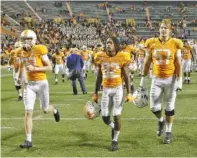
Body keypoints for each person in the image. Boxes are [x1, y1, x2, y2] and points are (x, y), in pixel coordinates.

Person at [139, 19, 183, 144]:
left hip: (171, 79)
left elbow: (178, 63)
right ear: (159, 29)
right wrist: (143, 78)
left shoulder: (176, 43)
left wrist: (179, 80)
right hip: (156, 79)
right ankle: (161, 120)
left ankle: (168, 132)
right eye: (162, 27)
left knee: (169, 106)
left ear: (170, 30)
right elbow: (147, 62)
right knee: (153, 107)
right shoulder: (151, 42)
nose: (163, 30)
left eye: (166, 28)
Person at [16, 29, 60, 149]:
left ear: (34, 40)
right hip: (29, 85)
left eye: (28, 39)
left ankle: (54, 109)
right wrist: (20, 77)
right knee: (28, 112)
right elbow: (22, 66)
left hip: (41, 83)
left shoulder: (40, 49)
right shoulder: (20, 52)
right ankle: (28, 140)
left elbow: (49, 68)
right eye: (24, 40)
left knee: (45, 109)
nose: (26, 42)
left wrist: (35, 69)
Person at [93, 36, 132, 151]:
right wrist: (95, 92)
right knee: (105, 117)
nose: (108, 44)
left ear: (116, 44)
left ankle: (115, 140)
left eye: (110, 43)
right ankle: (114, 127)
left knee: (116, 115)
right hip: (105, 89)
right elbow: (99, 76)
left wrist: (129, 93)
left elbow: (126, 76)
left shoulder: (122, 56)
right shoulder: (100, 56)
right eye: (106, 42)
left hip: (118, 89)